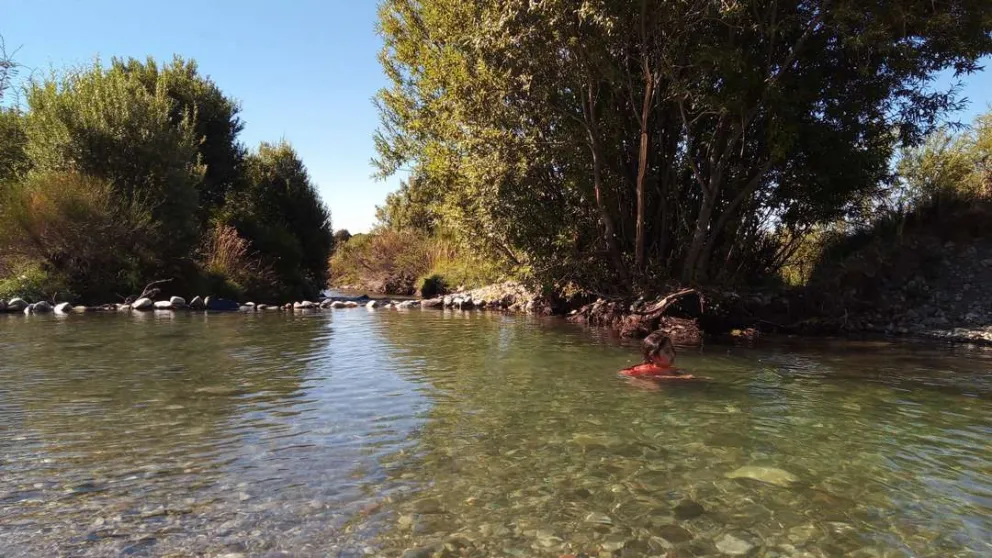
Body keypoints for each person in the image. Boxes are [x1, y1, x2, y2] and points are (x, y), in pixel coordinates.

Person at [620, 331, 694, 380]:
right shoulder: (647, 369)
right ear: (653, 356)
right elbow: (623, 373)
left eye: (672, 349)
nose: (672, 354)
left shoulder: (670, 368)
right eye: (667, 351)